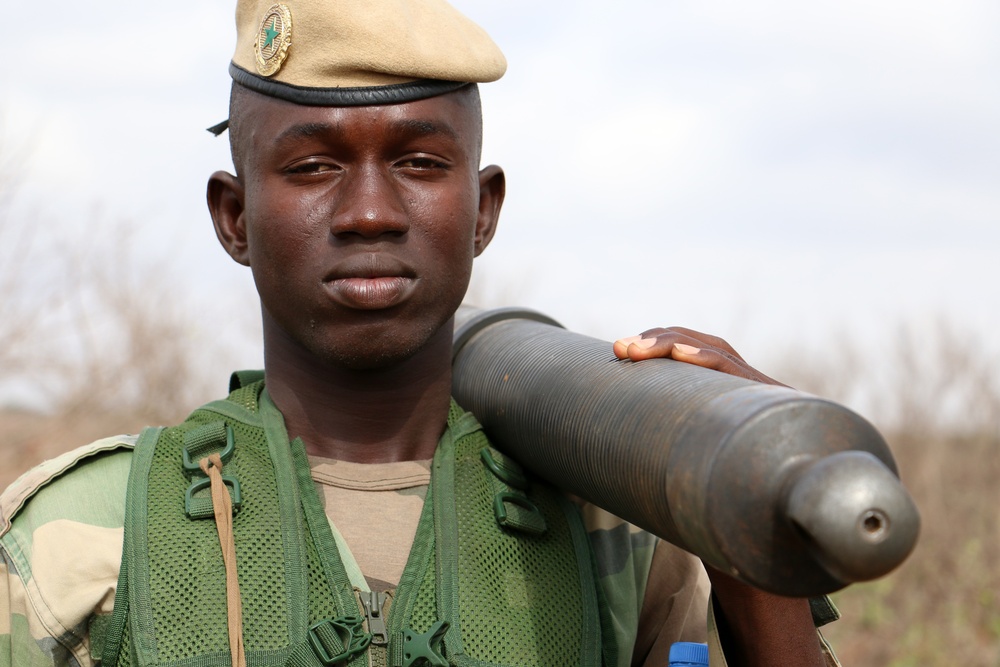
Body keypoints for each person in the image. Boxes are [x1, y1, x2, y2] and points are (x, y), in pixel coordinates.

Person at [0, 1, 840, 665]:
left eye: (420, 163)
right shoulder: (87, 538)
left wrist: (744, 510)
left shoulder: (612, 538)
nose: (370, 211)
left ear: (482, 210)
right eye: (313, 167)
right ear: (235, 216)